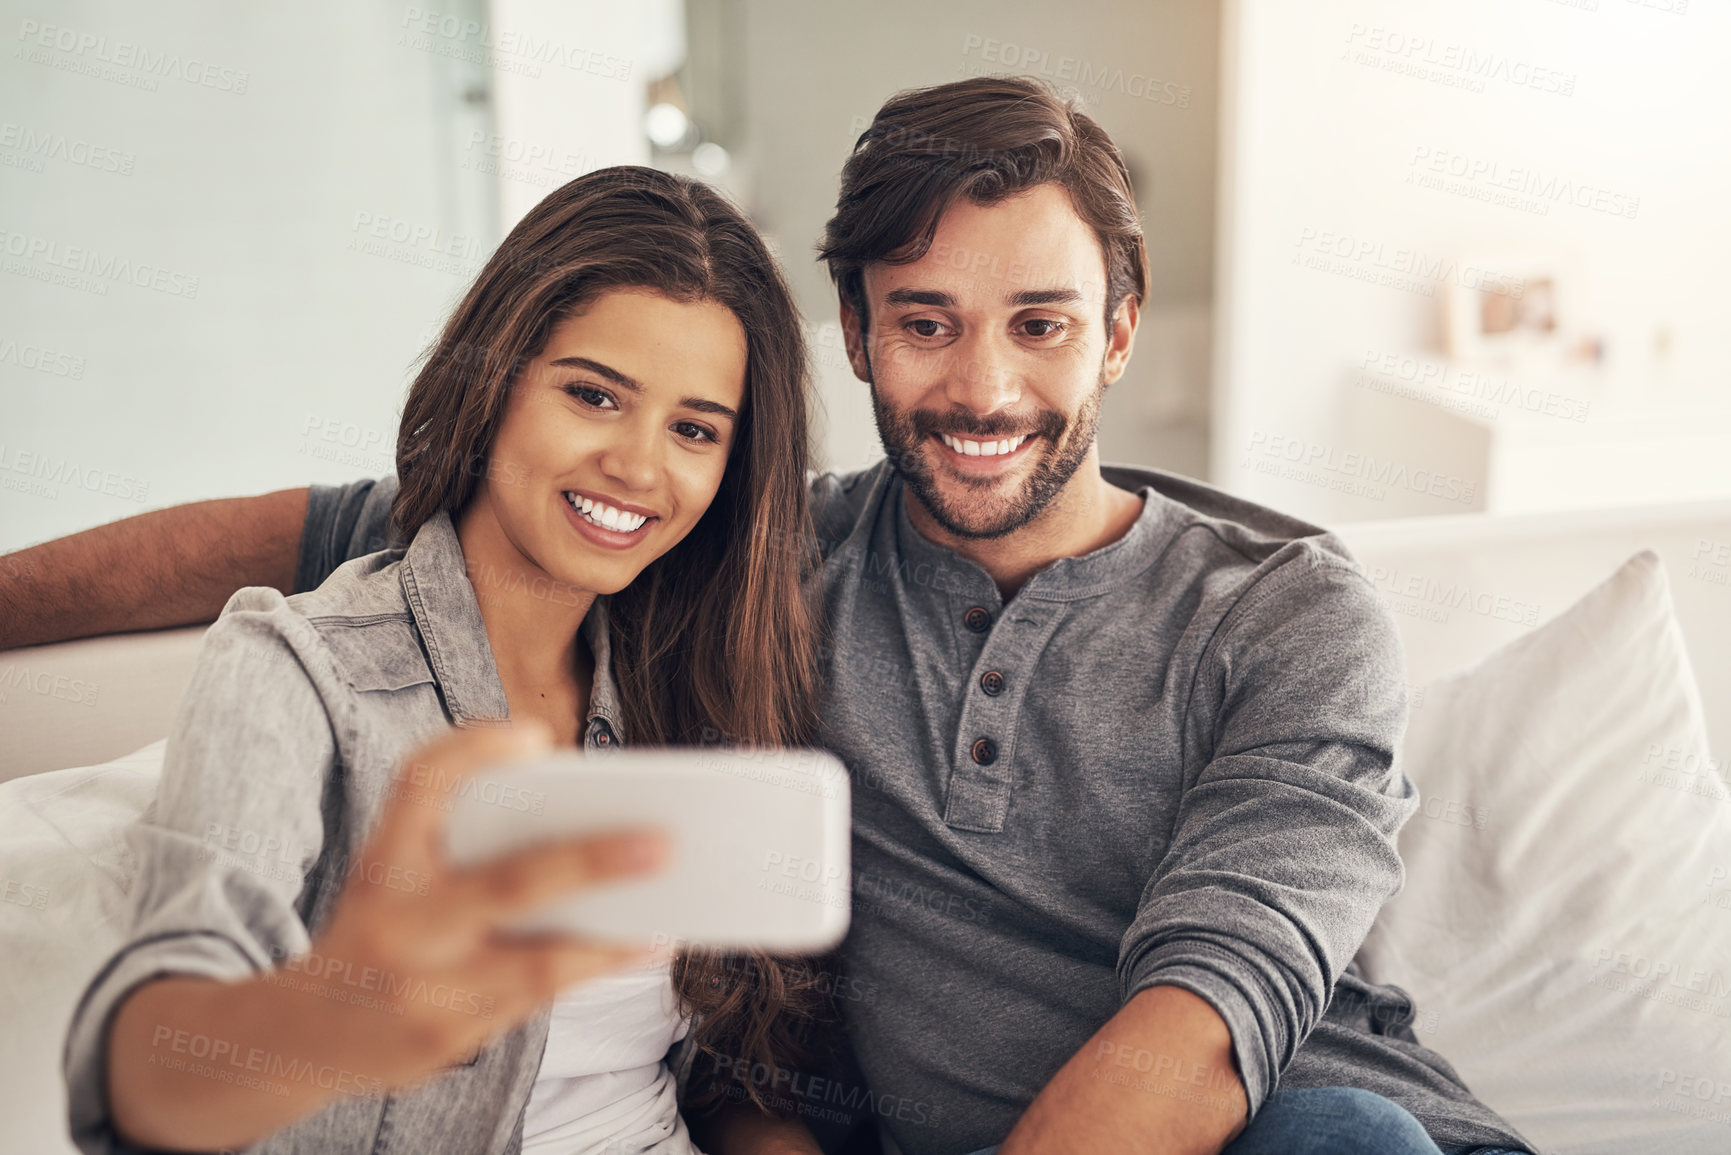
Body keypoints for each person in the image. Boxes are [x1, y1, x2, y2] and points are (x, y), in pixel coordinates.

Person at [3, 80, 1538, 1155]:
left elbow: (1209, 1020)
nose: (985, 388)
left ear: (1120, 328)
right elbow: (368, 521)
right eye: (925, 322)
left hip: (1300, 1120)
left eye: (1041, 325)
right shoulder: (746, 559)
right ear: (857, 330)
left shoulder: (1287, 613)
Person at [53, 167, 836, 1155]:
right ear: (496, 377)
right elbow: (148, 1081)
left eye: (693, 430)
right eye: (594, 395)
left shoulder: (685, 680)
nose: (640, 466)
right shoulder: (297, 671)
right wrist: (345, 1019)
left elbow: (729, 1083)